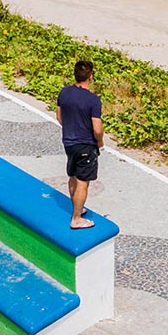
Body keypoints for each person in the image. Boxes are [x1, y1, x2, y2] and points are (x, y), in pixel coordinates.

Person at [56, 59, 104, 229]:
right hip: (86, 145)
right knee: (83, 182)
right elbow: (97, 128)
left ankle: (77, 208)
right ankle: (76, 218)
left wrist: (70, 130)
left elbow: (59, 116)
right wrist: (99, 142)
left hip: (69, 142)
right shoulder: (93, 100)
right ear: (90, 77)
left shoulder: (64, 93)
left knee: (73, 176)